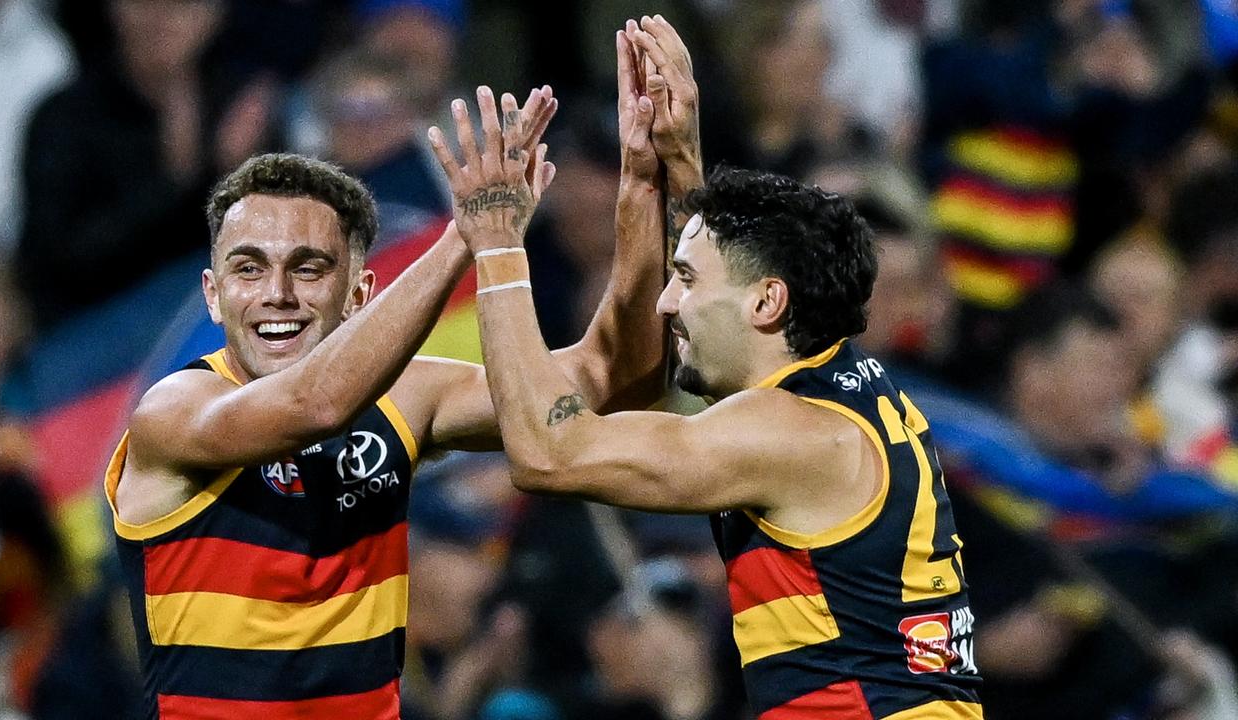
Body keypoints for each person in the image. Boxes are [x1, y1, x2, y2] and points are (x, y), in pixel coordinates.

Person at [430, 15, 982, 719]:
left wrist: (500, 248)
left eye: (685, 280)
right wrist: (672, 158)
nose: (667, 301)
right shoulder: (848, 386)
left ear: (766, 303)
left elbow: (547, 452)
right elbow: (730, 262)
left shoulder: (790, 433)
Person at [105, 51, 666, 719]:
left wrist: (642, 195)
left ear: (358, 294)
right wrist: (469, 236)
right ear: (213, 294)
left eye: (309, 268)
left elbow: (613, 378)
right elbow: (316, 404)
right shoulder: (172, 412)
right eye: (249, 269)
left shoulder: (406, 399)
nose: (276, 295)